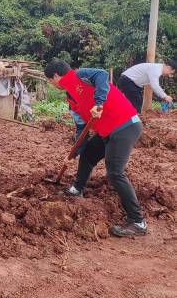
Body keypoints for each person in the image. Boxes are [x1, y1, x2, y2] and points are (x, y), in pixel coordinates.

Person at [44, 59, 146, 238]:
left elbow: (102, 74)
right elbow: (81, 128)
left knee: (115, 173)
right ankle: (77, 189)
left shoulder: (79, 75)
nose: (52, 85)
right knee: (88, 154)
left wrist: (99, 101)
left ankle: (138, 222)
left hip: (125, 125)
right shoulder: (71, 98)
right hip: (107, 130)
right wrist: (74, 153)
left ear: (56, 76)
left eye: (50, 82)